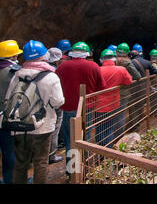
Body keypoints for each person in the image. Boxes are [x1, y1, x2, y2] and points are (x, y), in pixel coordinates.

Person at [4, 40, 65, 184]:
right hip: (42, 126)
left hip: (19, 126)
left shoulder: (16, 74)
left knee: (21, 164)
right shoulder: (51, 76)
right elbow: (58, 102)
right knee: (41, 163)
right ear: (43, 56)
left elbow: (9, 99)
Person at [55, 41, 106, 172]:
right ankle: (86, 169)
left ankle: (72, 170)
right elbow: (101, 87)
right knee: (85, 137)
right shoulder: (93, 66)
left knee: (70, 139)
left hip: (67, 108)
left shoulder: (62, 67)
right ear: (86, 53)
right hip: (87, 107)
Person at [95, 49, 132, 147]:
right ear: (114, 59)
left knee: (100, 128)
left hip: (99, 105)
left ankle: (103, 149)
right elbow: (128, 81)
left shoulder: (97, 70)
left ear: (101, 60)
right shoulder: (121, 69)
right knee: (111, 126)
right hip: (114, 102)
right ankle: (111, 148)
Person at [0, 40, 22, 184]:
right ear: (13, 56)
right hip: (7, 117)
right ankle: (11, 180)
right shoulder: (14, 72)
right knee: (10, 151)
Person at [115, 43, 141, 132]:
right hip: (124, 90)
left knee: (112, 114)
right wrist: (129, 78)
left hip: (112, 91)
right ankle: (119, 134)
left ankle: (111, 135)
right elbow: (137, 76)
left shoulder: (113, 61)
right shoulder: (127, 62)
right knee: (121, 114)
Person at [46, 47, 64, 164]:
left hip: (38, 106)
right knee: (54, 129)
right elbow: (58, 99)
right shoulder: (54, 72)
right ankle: (51, 155)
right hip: (54, 105)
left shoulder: (21, 72)